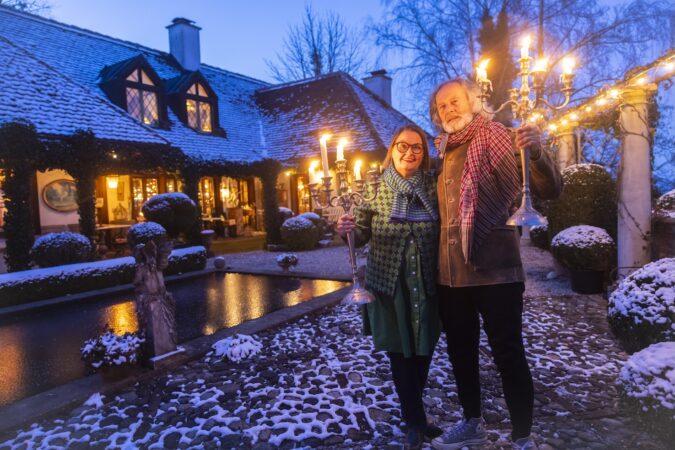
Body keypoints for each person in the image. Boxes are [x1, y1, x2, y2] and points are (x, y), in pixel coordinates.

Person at [428, 78, 562, 450]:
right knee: (461, 352)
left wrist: (537, 153)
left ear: (473, 101)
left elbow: (550, 190)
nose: (448, 110)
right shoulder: (441, 152)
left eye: (455, 101)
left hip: (497, 270)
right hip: (451, 275)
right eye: (442, 106)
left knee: (508, 353)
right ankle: (472, 423)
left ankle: (522, 435)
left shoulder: (500, 137)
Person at [336, 124, 442, 449]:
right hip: (388, 285)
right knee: (400, 354)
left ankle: (415, 413)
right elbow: (361, 234)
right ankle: (415, 421)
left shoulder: (435, 187)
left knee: (423, 350)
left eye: (417, 147)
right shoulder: (374, 189)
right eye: (403, 146)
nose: (410, 152)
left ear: (424, 153)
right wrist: (346, 230)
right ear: (392, 149)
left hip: (428, 283)